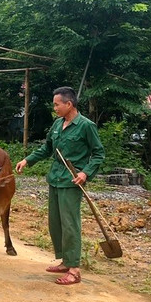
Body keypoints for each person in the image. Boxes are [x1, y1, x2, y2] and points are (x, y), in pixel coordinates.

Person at [15, 86, 105, 286]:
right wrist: (28, 160)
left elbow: (98, 153)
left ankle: (74, 269)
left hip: (71, 182)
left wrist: (85, 172)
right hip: (55, 179)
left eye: (57, 104)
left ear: (69, 104)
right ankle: (65, 260)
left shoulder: (86, 126)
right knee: (55, 223)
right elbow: (47, 148)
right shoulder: (57, 124)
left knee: (70, 224)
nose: (54, 107)